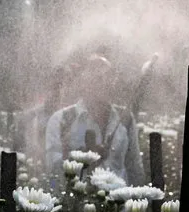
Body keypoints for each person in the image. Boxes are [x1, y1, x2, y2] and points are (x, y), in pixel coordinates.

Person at [44, 54, 145, 186]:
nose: (103, 82)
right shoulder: (62, 119)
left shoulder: (125, 118)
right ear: (82, 82)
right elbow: (52, 169)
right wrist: (83, 159)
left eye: (108, 77)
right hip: (76, 202)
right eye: (97, 77)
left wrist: (140, 202)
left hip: (118, 203)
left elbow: (135, 168)